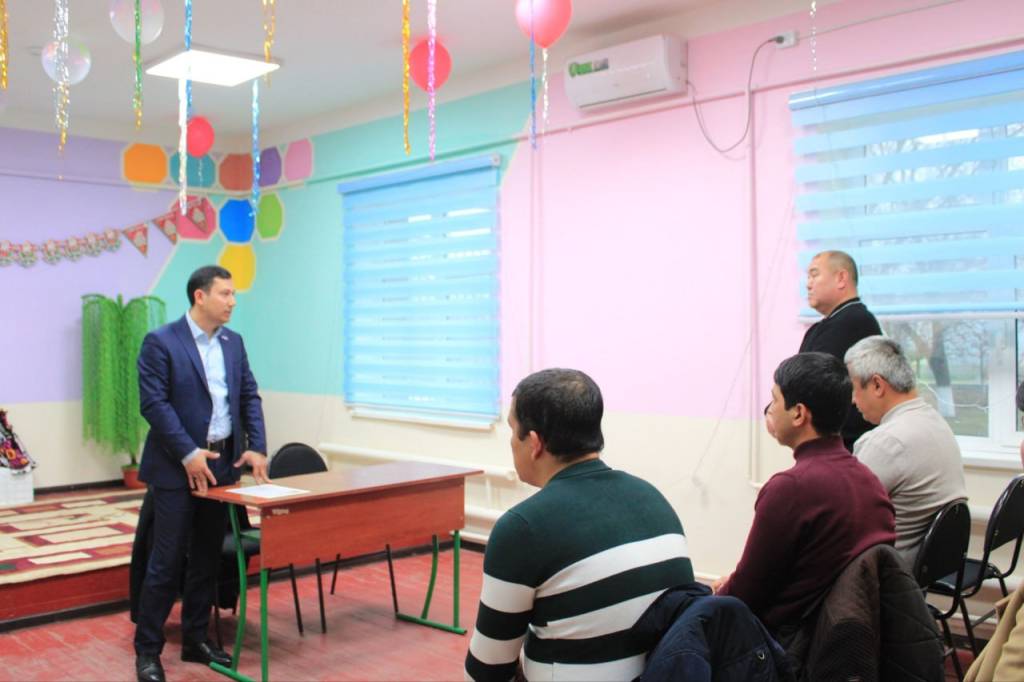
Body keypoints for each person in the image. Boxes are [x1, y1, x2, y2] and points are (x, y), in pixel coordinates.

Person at [464, 369, 694, 682]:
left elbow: (486, 670)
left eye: (513, 430)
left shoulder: (522, 529)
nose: (511, 442)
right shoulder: (653, 498)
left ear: (534, 443)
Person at [134, 265, 269, 682]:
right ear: (200, 296)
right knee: (166, 560)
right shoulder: (161, 341)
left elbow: (248, 395)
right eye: (225, 294)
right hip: (175, 469)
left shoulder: (233, 342)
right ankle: (148, 651)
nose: (233, 302)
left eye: (233, 294)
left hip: (221, 466)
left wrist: (256, 446)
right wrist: (188, 453)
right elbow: (154, 404)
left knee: (207, 558)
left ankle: (196, 639)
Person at [714, 352, 895, 638]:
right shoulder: (867, 479)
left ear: (798, 413)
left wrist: (718, 594)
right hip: (844, 637)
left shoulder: (791, 488)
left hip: (788, 642)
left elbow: (747, 593)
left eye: (774, 400)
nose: (770, 410)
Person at [844, 336, 967, 565]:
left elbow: (843, 518)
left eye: (853, 388)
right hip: (931, 568)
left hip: (889, 574)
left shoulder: (886, 442)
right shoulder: (935, 421)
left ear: (877, 385)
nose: (852, 400)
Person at [800, 250, 882, 450]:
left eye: (814, 275)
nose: (808, 284)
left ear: (841, 278)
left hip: (846, 448)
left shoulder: (854, 322)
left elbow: (810, 385)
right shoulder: (826, 325)